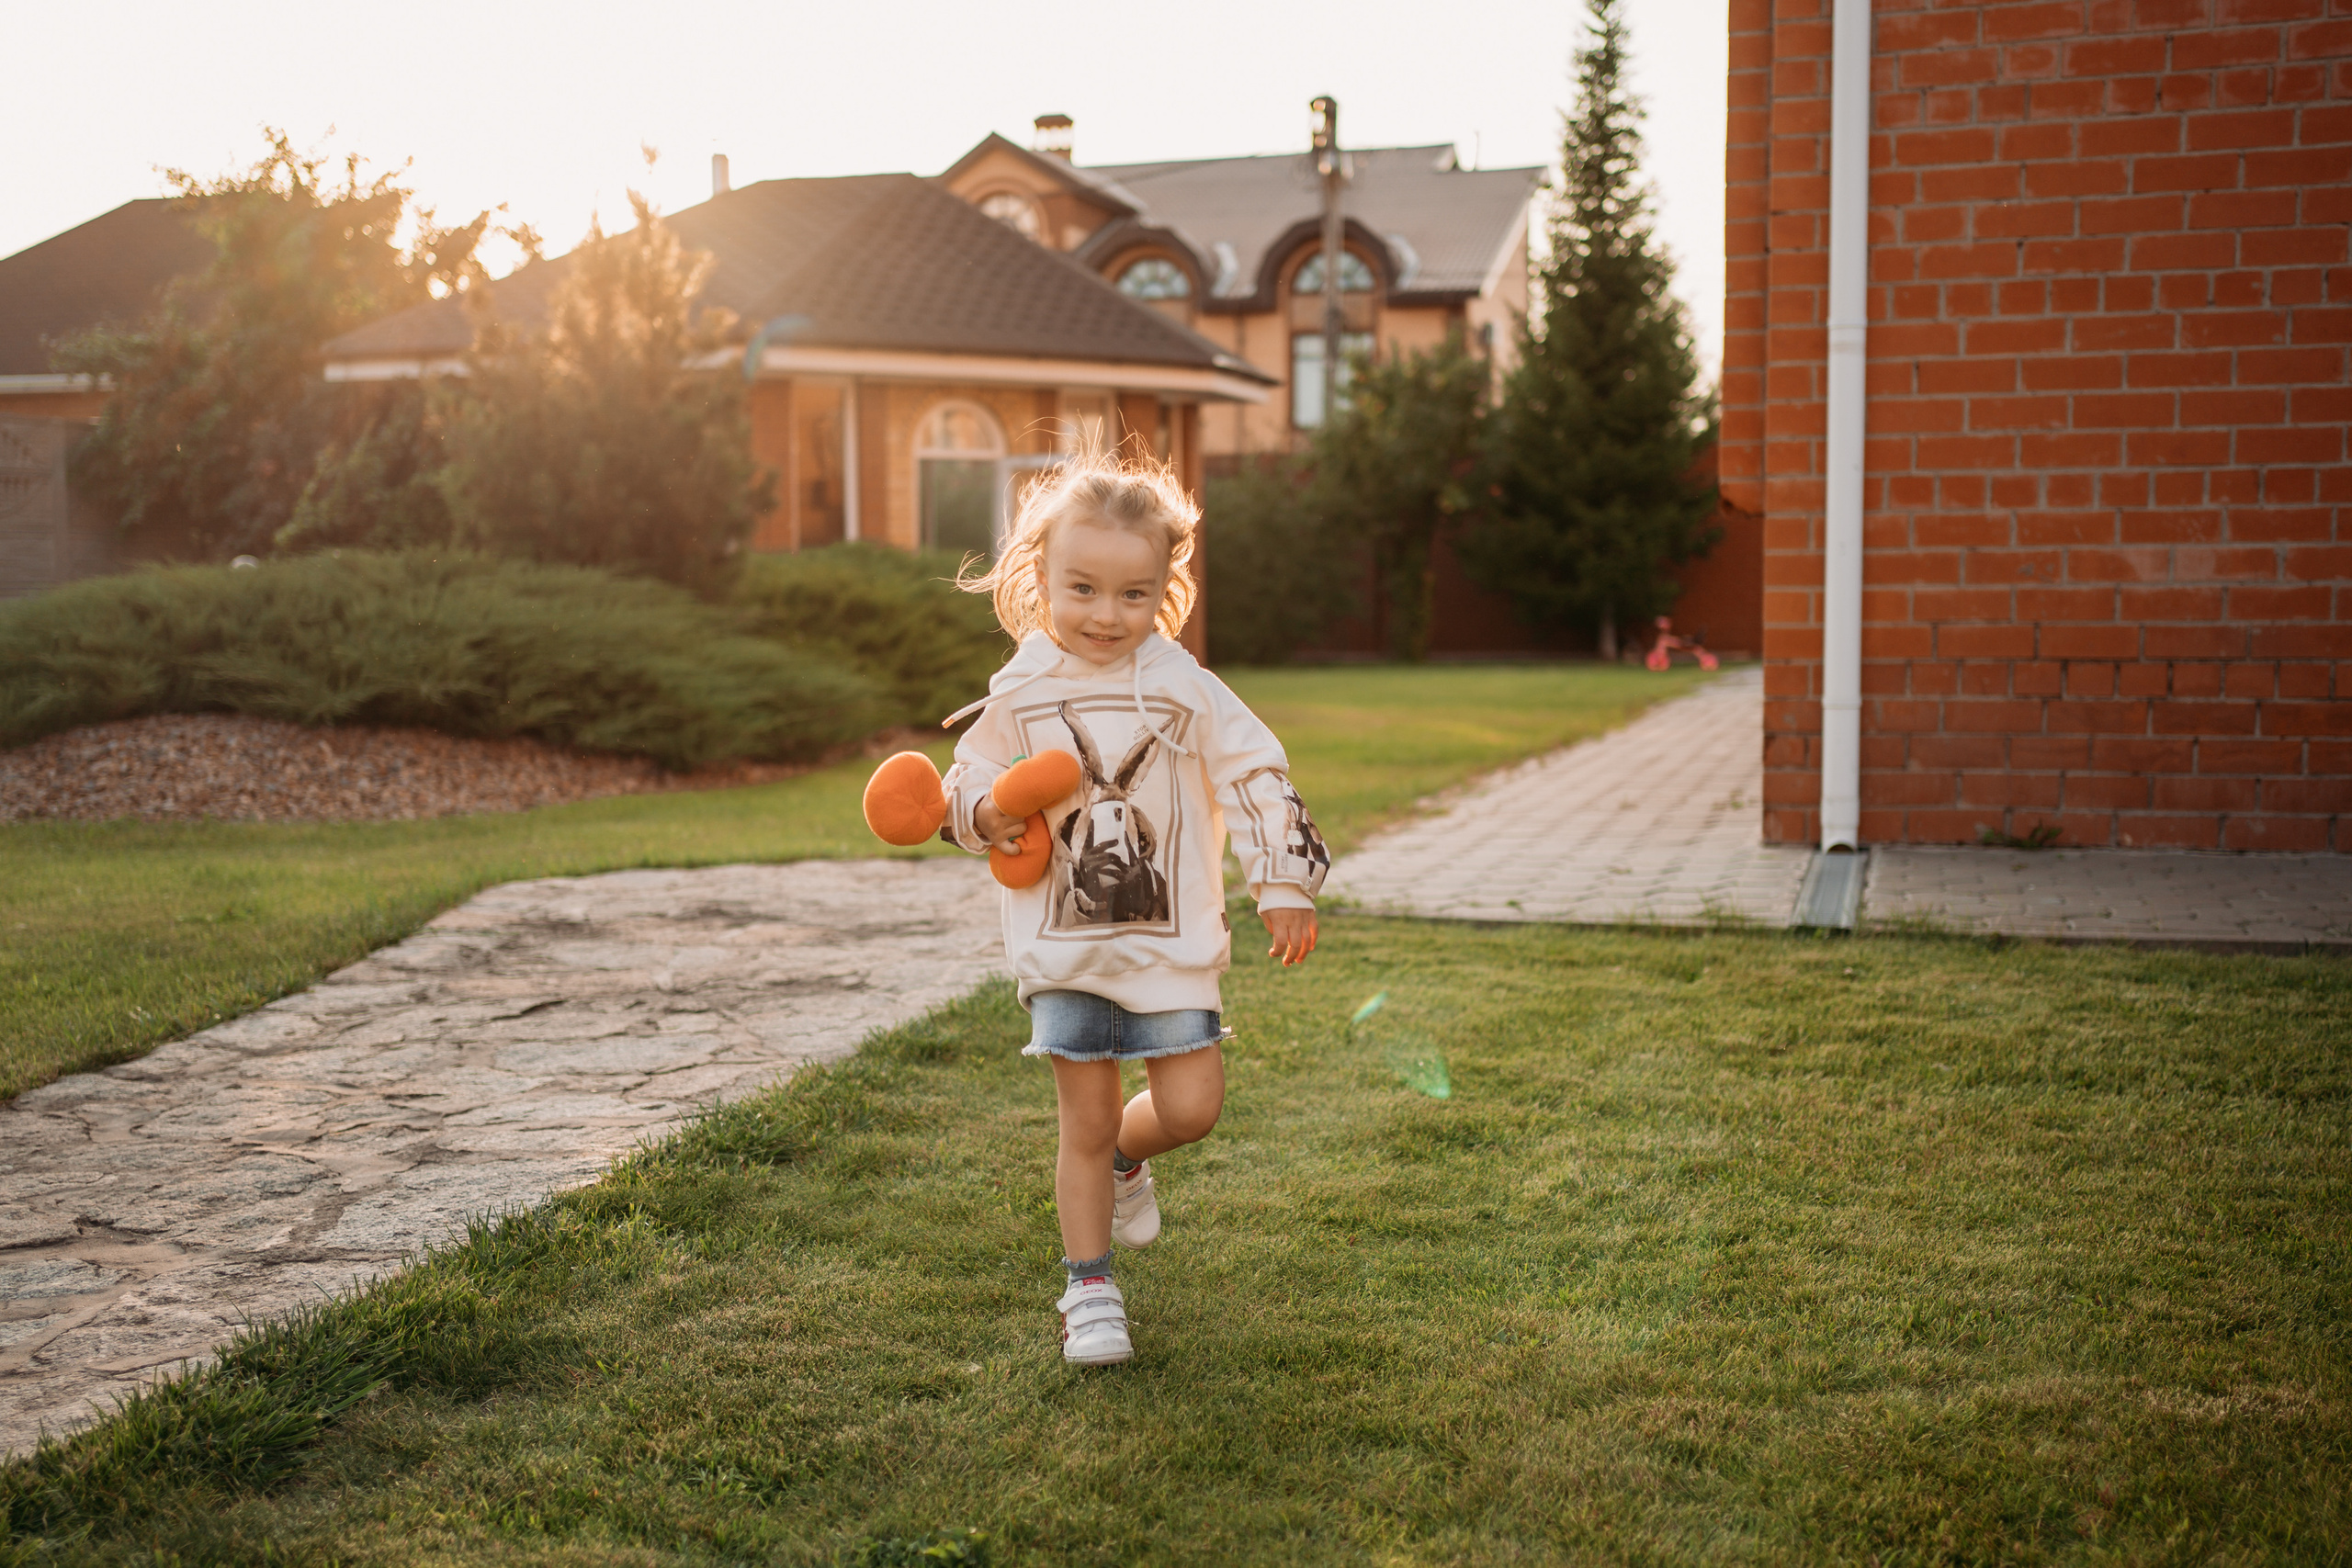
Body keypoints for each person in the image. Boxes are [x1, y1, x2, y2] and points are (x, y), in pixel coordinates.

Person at [939, 451, 1328, 1366]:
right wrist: (988, 812)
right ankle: (1089, 1289)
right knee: (1082, 1119)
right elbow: (965, 793)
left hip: (1171, 945)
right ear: (1040, 579)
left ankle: (1126, 1161)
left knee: (1191, 1107)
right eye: (1083, 589)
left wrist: (1281, 881)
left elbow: (1255, 769)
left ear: (1165, 587)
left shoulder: (1183, 686)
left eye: (1131, 594)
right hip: (1064, 946)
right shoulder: (1023, 691)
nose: (1105, 616)